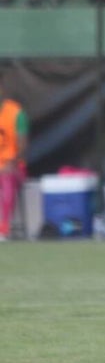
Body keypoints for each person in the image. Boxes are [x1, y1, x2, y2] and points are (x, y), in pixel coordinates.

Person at [0, 77, 28, 241]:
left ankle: (4, 229)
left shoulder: (17, 112)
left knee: (6, 178)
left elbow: (22, 146)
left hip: (14, 166)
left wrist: (12, 162)